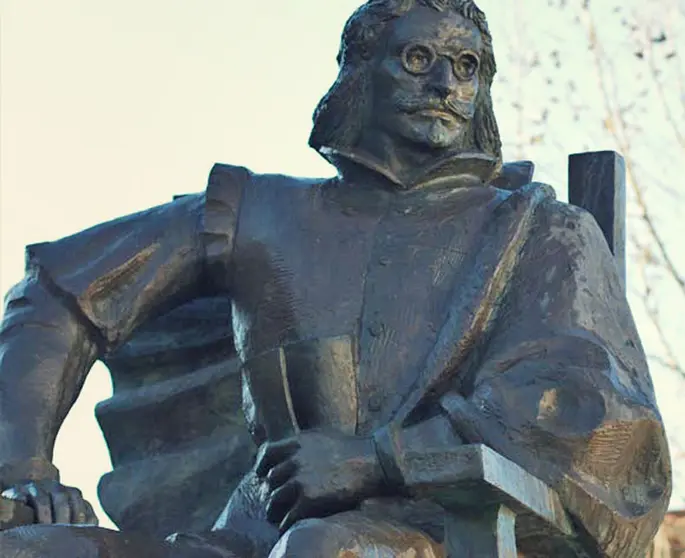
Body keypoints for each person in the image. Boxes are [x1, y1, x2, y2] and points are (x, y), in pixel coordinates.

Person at [0, 1, 671, 556]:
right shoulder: (255, 211)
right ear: (358, 72)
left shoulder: (540, 229)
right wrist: (25, 472)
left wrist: (383, 459)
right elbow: (56, 291)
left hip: (446, 533)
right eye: (418, 59)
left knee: (324, 549)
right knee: (28, 549)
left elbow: (592, 414)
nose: (445, 85)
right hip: (249, 536)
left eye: (468, 67)